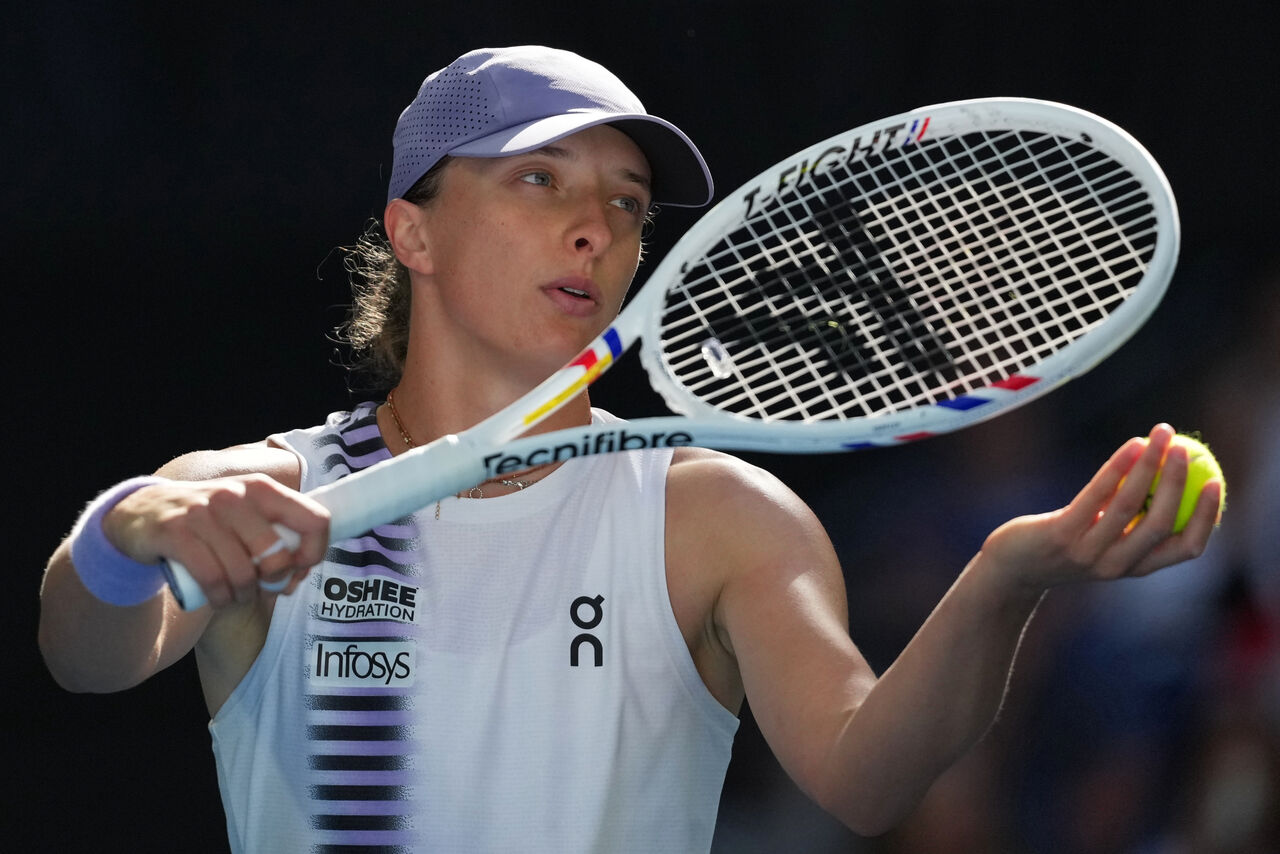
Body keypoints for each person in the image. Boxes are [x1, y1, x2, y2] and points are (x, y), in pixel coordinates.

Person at [38, 45, 1223, 853]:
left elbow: (865, 777)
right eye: (538, 178)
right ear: (413, 231)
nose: (593, 226)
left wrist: (1006, 576)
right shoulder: (272, 488)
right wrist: (132, 530)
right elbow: (85, 653)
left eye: (624, 201)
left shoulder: (714, 514)